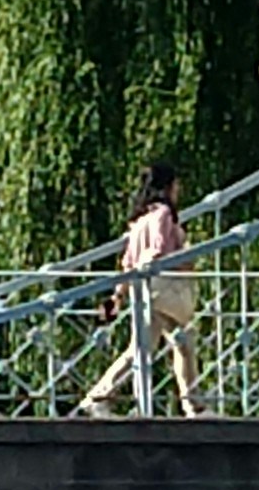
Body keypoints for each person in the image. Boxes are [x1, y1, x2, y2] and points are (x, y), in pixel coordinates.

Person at [77, 164, 198, 416]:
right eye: (176, 186)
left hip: (143, 291)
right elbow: (160, 249)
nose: (178, 191)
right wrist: (186, 259)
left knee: (148, 348)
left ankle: (98, 397)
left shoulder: (139, 222)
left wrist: (117, 296)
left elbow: (128, 263)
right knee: (181, 342)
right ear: (168, 187)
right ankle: (193, 405)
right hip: (163, 289)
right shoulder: (164, 214)